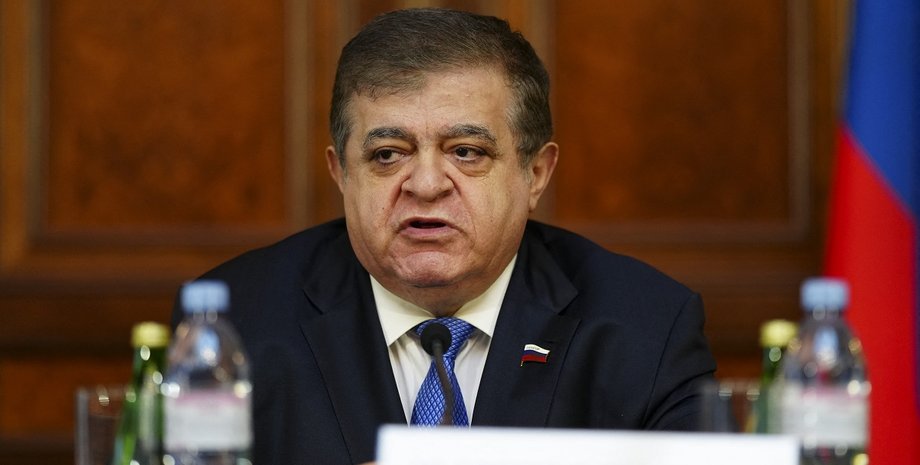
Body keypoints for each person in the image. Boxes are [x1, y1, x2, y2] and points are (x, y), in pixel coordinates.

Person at [173, 7, 716, 465]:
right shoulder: (235, 325)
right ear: (341, 174)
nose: (427, 184)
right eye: (388, 154)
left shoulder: (646, 329)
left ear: (535, 174)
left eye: (466, 152)